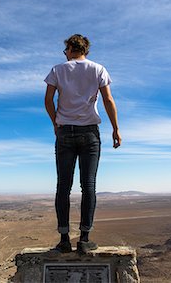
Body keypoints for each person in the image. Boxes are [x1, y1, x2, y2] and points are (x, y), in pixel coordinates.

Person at [44, 34, 121, 254]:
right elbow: (107, 100)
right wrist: (116, 128)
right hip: (90, 133)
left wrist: (55, 122)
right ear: (86, 50)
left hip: (65, 132)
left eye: (65, 50)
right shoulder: (98, 69)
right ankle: (85, 239)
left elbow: (48, 100)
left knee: (63, 186)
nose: (65, 54)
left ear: (70, 48)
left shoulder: (57, 70)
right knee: (88, 186)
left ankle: (64, 239)